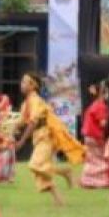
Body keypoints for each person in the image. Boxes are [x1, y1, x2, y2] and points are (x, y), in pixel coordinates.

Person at [14, 72, 81, 206]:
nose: (22, 85)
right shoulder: (26, 103)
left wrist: (21, 141)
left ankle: (65, 172)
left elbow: (32, 122)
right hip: (39, 137)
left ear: (33, 86)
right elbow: (20, 121)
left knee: (35, 165)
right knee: (39, 171)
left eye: (25, 82)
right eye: (22, 82)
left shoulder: (35, 100)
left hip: (46, 136)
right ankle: (59, 198)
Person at [80, 81, 109, 189]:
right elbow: (103, 123)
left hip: (88, 137)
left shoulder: (93, 105)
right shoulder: (100, 106)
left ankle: (88, 181)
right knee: (105, 159)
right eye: (107, 93)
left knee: (92, 160)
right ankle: (103, 182)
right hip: (96, 137)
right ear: (102, 94)